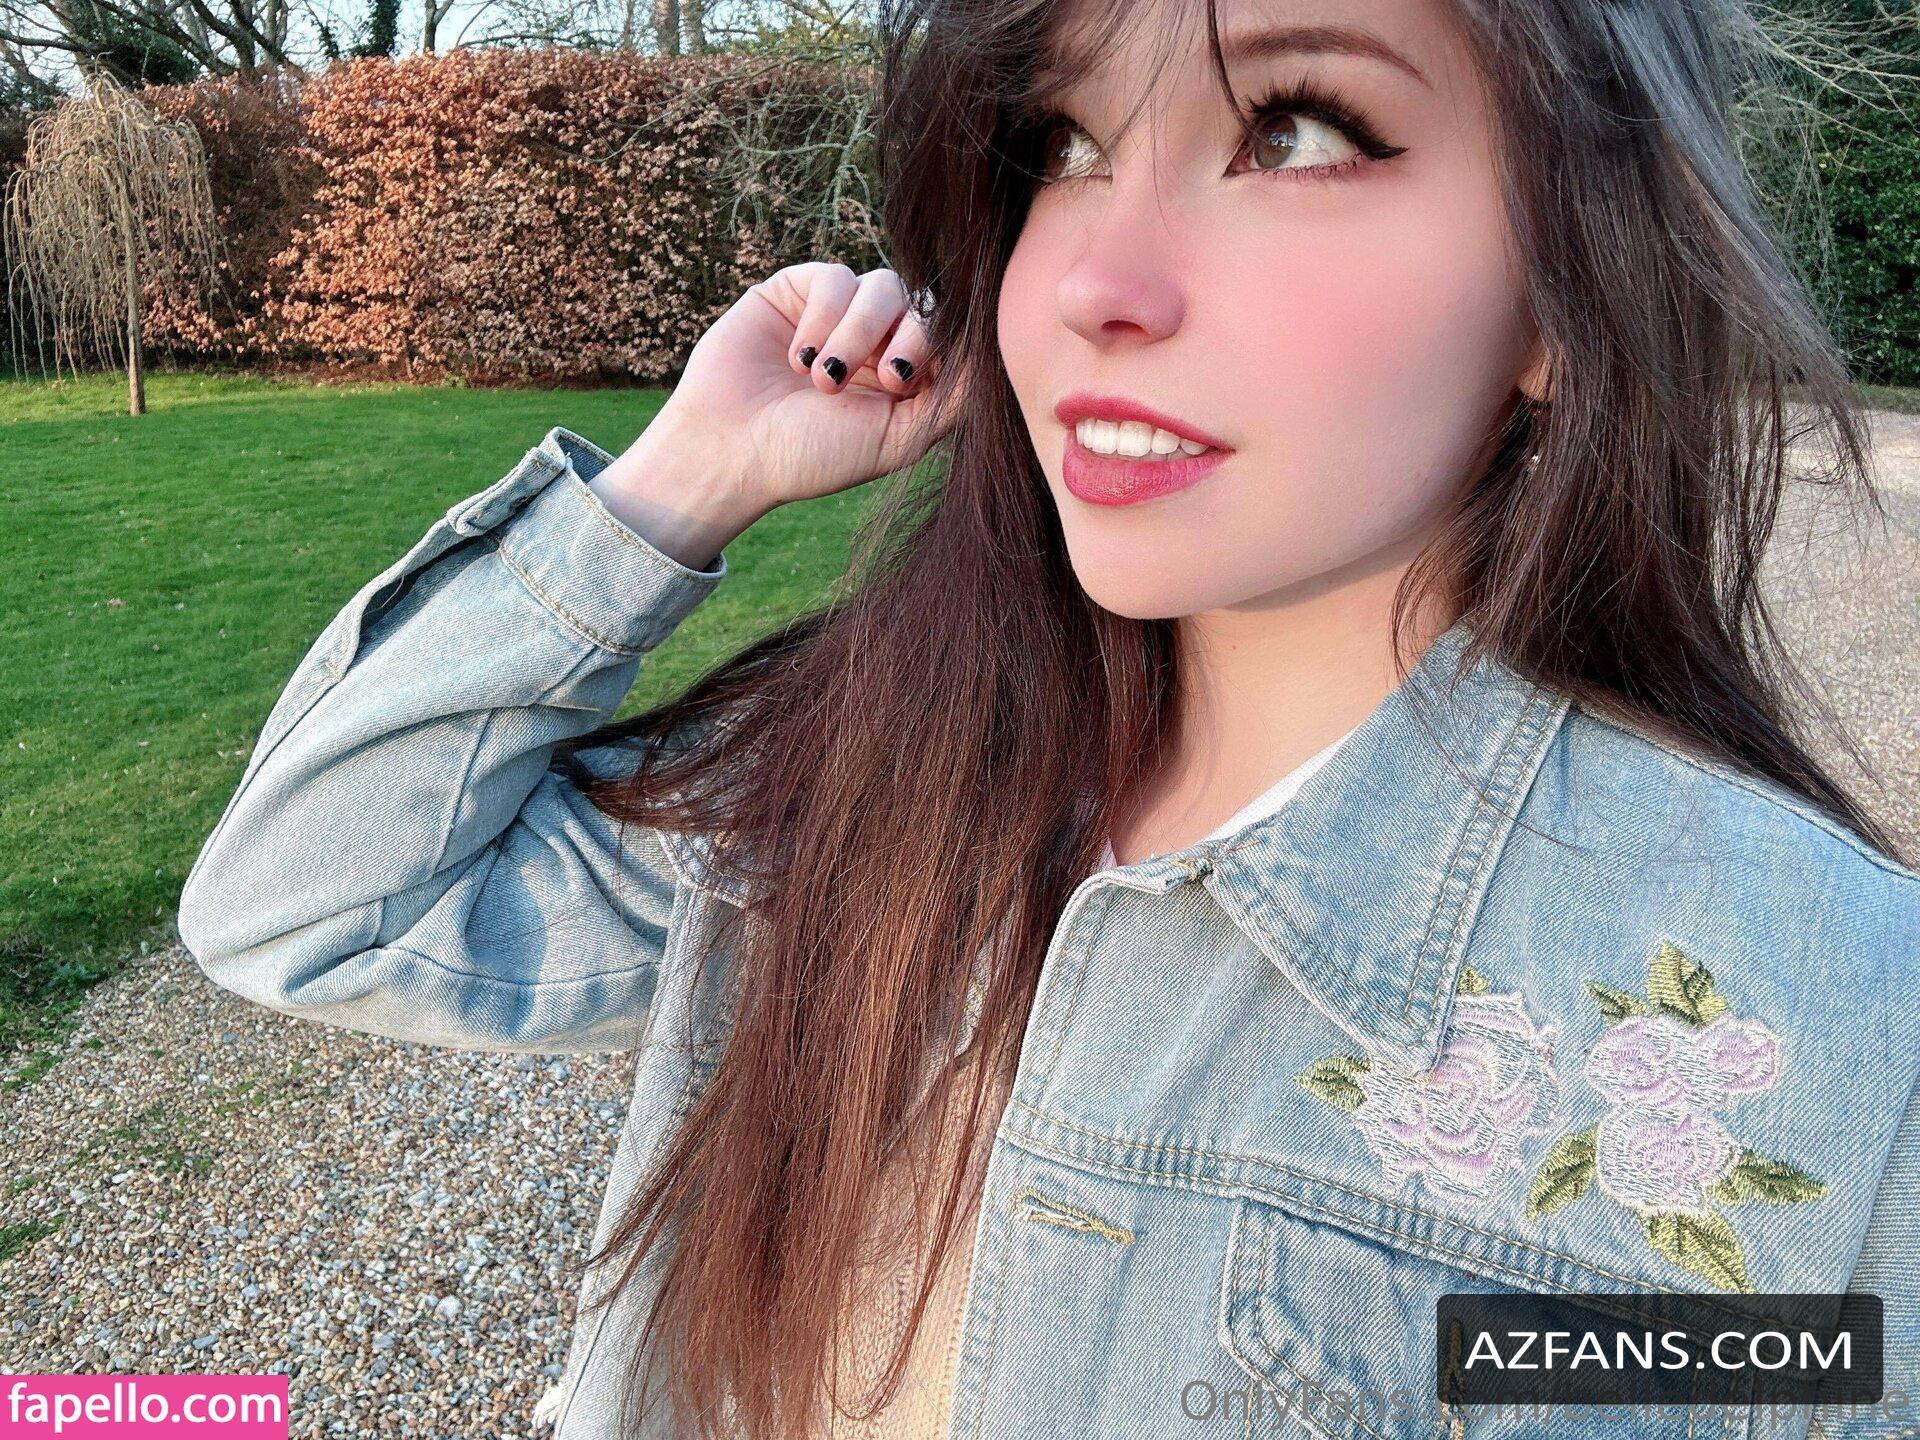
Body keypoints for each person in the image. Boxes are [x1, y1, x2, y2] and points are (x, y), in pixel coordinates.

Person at [178, 0, 1920, 1436]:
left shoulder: (1834, 1044)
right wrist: (681, 483)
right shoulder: (865, 774)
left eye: (1296, 132)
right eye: (1063, 146)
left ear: (1570, 280)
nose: (1094, 282)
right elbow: (307, 906)